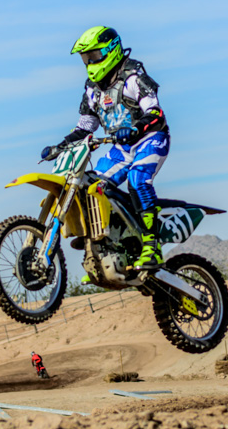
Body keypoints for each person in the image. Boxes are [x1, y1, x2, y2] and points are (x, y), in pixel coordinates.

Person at [41, 26, 170, 269]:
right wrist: (60, 146)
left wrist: (135, 129)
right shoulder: (92, 88)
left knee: (138, 179)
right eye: (85, 58)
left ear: (111, 50)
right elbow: (85, 127)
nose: (90, 63)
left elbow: (155, 112)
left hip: (150, 139)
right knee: (91, 186)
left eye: (94, 55)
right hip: (121, 148)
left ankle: (152, 247)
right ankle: (107, 243)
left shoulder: (133, 77)